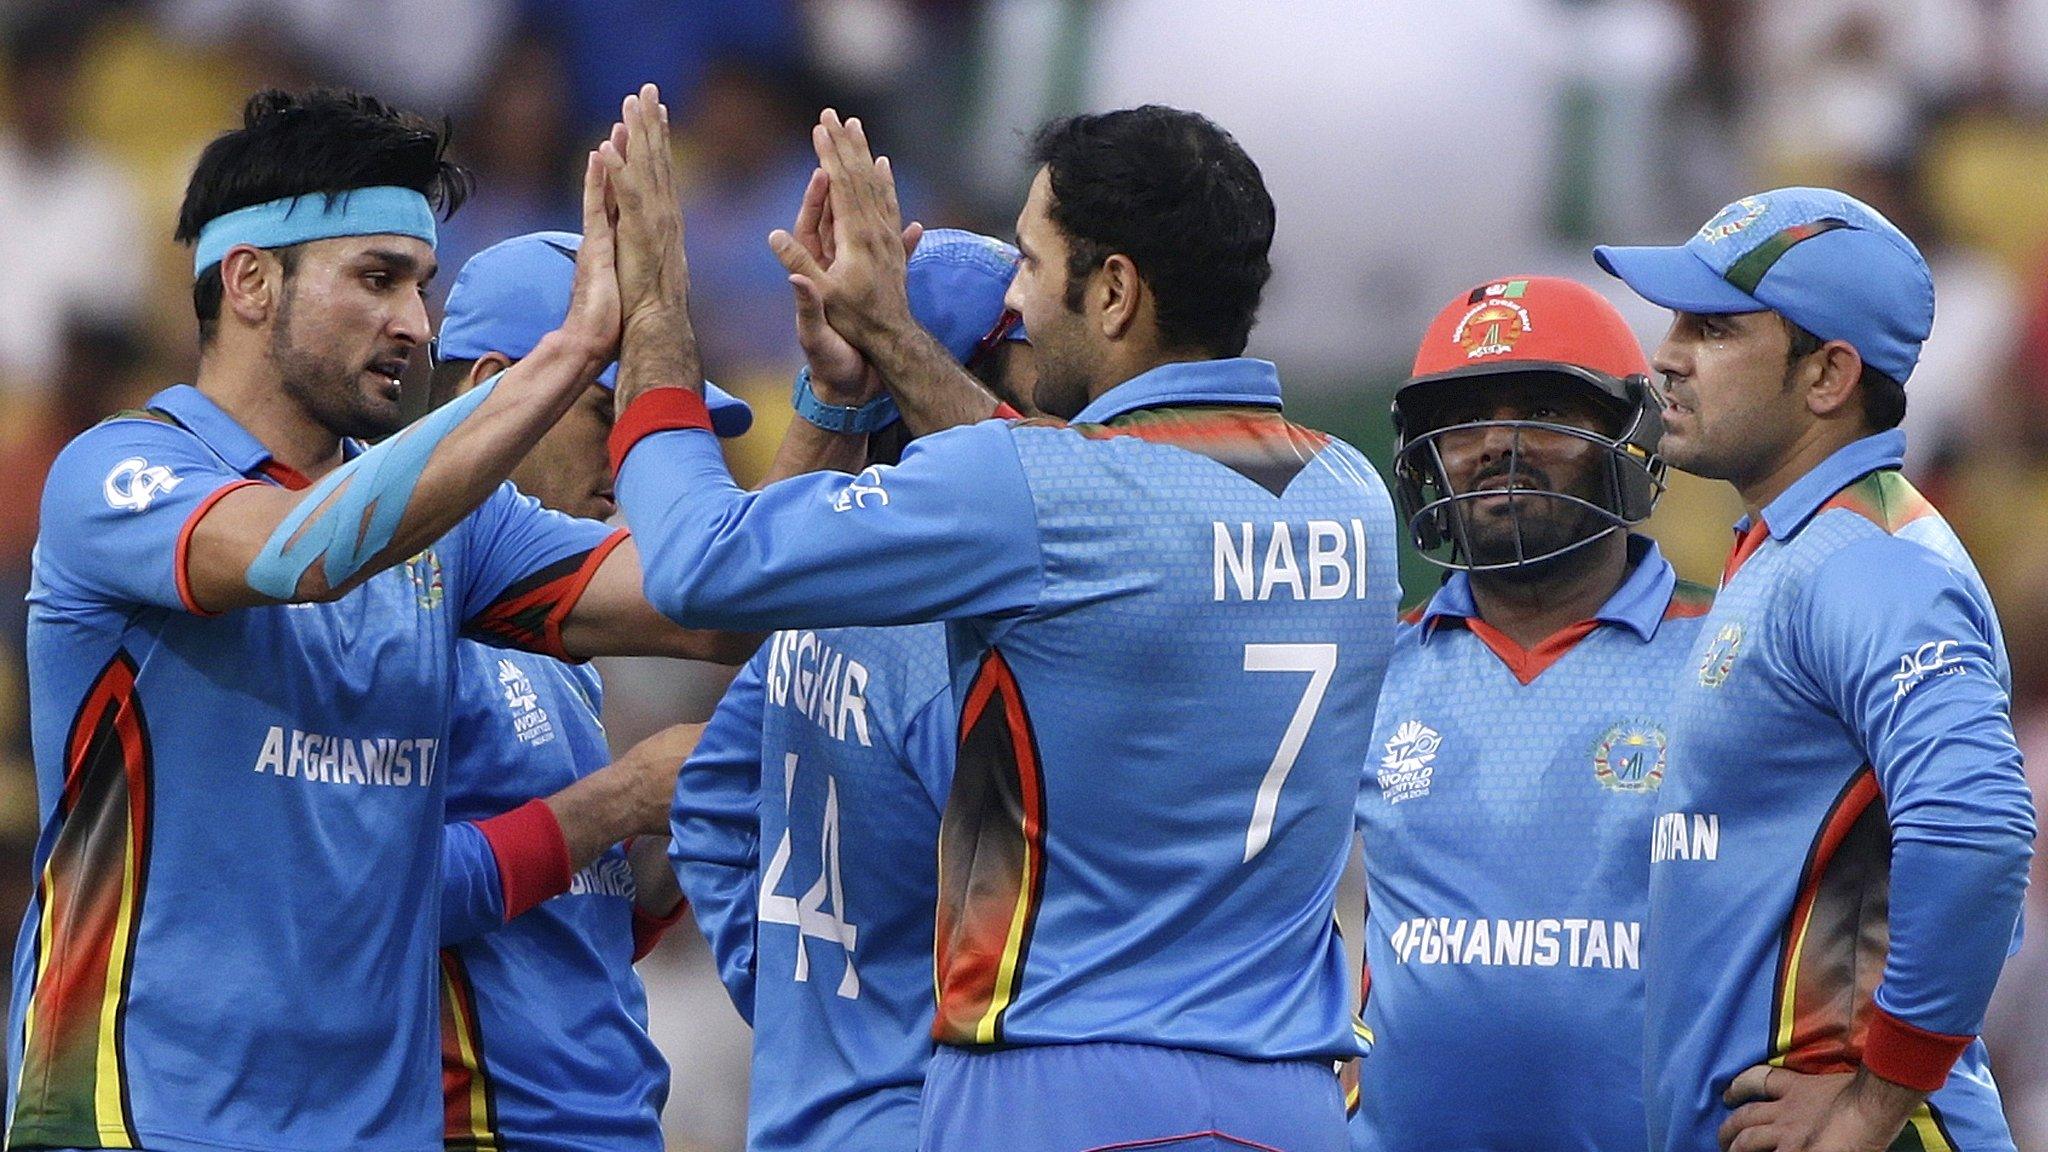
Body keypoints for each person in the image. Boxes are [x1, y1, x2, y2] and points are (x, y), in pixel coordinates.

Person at [606, 88, 1400, 1151]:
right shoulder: (1349, 492)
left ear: (1113, 291)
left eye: (1030, 262)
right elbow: (1086, 500)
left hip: (1058, 1087)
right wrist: (888, 336)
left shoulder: (1038, 500)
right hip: (1291, 1098)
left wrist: (655, 317)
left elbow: (700, 565)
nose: (1019, 300)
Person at [6, 89, 742, 1151]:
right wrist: (572, 351)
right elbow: (302, 553)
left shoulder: (463, 535)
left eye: (424, 283)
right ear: (251, 280)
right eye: (377, 277)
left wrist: (834, 402)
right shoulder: (119, 476)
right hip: (139, 1118)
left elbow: (715, 603)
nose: (416, 322)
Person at [1596, 188, 2036, 1152]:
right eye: (1675, 321)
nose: (1667, 354)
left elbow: (1978, 825)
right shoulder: (1794, 548)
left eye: (1713, 327)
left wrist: (1873, 1103)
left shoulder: (1870, 563)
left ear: (1829, 374)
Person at [673, 226, 1032, 1152]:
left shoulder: (822, 594)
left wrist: (792, 1005)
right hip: (933, 1117)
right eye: (1021, 364)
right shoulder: (959, 639)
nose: (1043, 398)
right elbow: (1045, 934)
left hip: (803, 1111)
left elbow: (708, 805)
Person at [1351, 275, 1710, 1150]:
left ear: (1630, 439)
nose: (1497, 445)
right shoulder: (1367, 670)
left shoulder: (1733, 655)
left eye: (1546, 412)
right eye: (1465, 420)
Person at [426, 229, 755, 1152]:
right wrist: (620, 800)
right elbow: (366, 899)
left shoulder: (559, 636)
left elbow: (588, 933)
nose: (629, 461)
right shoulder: (397, 592)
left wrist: (665, 837)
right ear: (499, 384)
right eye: (608, 413)